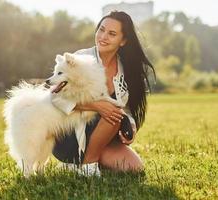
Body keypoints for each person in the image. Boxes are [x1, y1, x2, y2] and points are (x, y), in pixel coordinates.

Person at [52, 11, 155, 173]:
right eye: (101, 29)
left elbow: (126, 109)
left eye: (112, 33)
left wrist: (131, 128)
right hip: (68, 136)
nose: (103, 36)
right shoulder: (80, 59)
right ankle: (87, 166)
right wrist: (96, 106)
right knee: (113, 113)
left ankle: (76, 165)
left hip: (103, 139)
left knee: (134, 168)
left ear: (123, 41)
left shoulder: (126, 68)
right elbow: (54, 97)